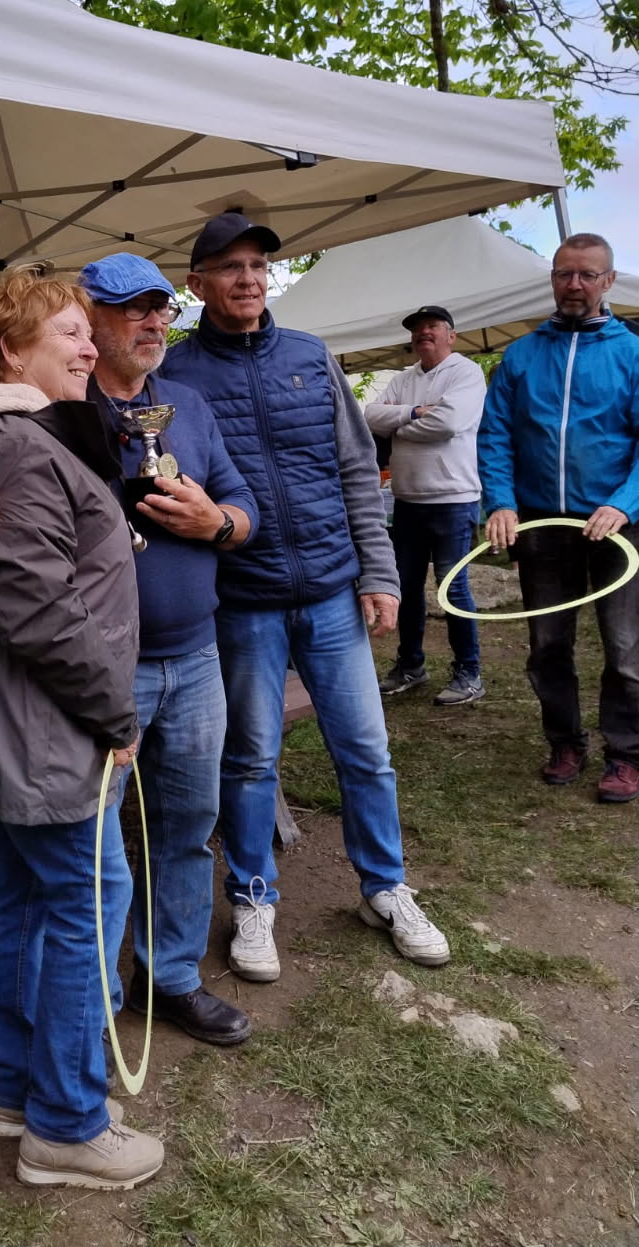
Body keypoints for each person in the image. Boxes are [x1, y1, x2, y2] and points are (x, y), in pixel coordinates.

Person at [161, 211, 450, 983]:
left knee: (366, 750)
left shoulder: (309, 355)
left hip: (329, 591)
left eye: (258, 265)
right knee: (250, 758)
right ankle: (253, 895)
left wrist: (379, 573)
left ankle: (385, 888)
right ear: (197, 284)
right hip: (241, 597)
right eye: (230, 267)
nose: (249, 278)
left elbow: (357, 468)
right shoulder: (176, 376)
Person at [0, 269, 164, 1192]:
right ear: (9, 351)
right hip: (49, 723)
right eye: (67, 331)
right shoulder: (17, 444)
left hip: (29, 721)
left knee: (26, 900)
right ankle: (65, 1123)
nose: (88, 345)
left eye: (85, 331)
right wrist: (115, 711)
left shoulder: (16, 437)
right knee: (86, 901)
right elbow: (39, 609)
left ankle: (20, 1092)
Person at [76, 252, 258, 1048]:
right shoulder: (61, 409)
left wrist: (218, 522)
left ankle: (171, 975)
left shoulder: (186, 403)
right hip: (103, 667)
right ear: (87, 318)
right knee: (92, 843)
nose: (155, 321)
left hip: (196, 657)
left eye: (162, 308)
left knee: (187, 825)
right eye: (134, 308)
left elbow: (243, 501)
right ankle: (94, 1002)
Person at [478, 232, 639, 803]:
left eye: (587, 275)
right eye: (564, 273)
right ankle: (565, 742)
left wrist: (623, 503)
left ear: (608, 281)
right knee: (548, 644)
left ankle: (626, 753)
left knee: (625, 648)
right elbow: (495, 435)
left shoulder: (632, 354)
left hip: (617, 524)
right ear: (552, 278)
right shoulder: (521, 355)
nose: (574, 285)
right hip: (543, 524)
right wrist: (501, 501)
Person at [365, 306, 487, 706]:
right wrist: (414, 413)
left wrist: (398, 427)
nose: (424, 333)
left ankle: (469, 671)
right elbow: (371, 416)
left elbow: (448, 424)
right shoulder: (404, 378)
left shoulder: (466, 373)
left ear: (451, 335)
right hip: (408, 500)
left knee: (454, 589)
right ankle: (411, 665)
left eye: (433, 326)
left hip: (453, 499)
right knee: (406, 588)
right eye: (418, 329)